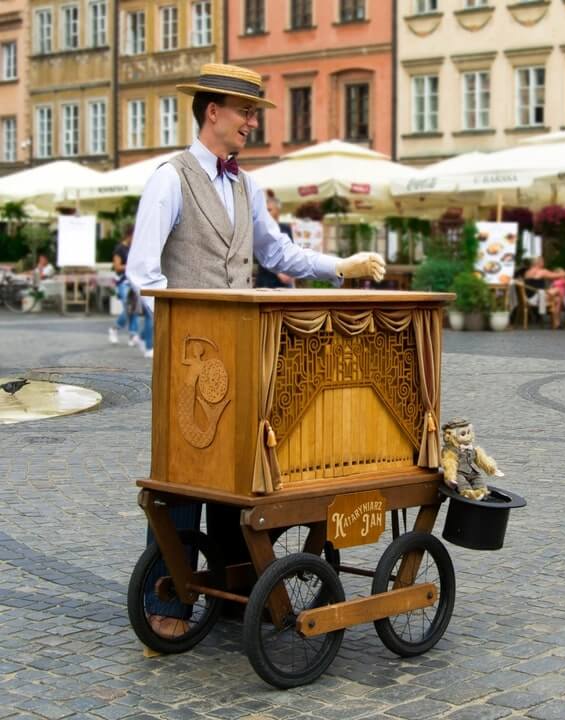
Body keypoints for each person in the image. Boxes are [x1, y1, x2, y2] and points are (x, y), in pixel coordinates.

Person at [126, 63, 385, 639]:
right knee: (182, 483)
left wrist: (337, 266)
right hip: (190, 364)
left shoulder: (247, 185)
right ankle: (166, 599)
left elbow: (279, 253)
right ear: (212, 112)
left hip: (245, 360)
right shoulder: (170, 178)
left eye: (254, 114)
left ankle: (234, 589)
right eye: (245, 112)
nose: (251, 123)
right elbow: (143, 274)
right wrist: (181, 341)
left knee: (238, 482)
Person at [108, 226, 141, 346]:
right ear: (129, 235)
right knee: (128, 308)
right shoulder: (119, 249)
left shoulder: (134, 248)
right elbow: (117, 267)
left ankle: (133, 334)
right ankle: (114, 328)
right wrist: (130, 266)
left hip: (134, 282)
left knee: (135, 308)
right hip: (123, 282)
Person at [256, 193, 294, 288]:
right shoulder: (260, 229)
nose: (266, 214)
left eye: (269, 210)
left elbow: (290, 251)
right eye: (265, 211)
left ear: (277, 210)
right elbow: (260, 255)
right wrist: (279, 273)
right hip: (266, 281)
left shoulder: (285, 228)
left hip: (285, 281)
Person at [524, 256, 565, 329]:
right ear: (539, 262)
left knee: (557, 299)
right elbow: (554, 275)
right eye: (543, 261)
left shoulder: (527, 272)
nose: (544, 263)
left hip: (529, 298)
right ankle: (558, 319)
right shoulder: (541, 271)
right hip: (537, 298)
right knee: (558, 290)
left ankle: (557, 324)